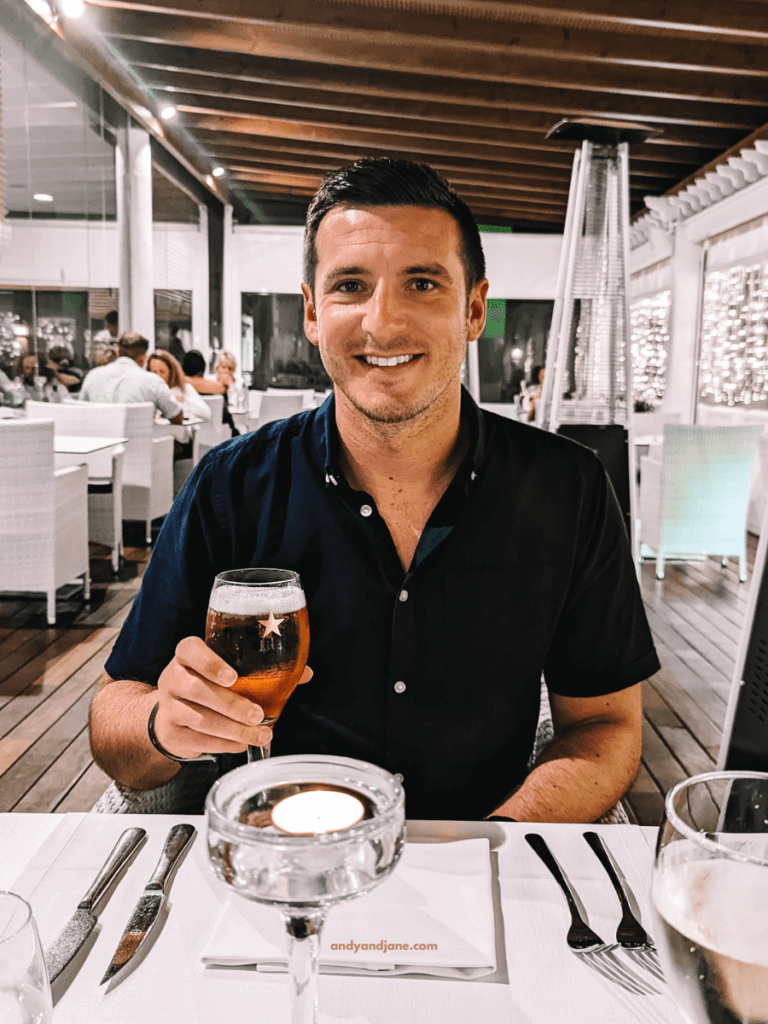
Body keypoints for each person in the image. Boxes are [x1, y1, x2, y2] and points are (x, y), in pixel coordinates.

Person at [89, 157, 659, 824]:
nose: (382, 323)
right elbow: (113, 717)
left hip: (481, 857)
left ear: (473, 309)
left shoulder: (568, 486)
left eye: (423, 283)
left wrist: (495, 848)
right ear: (311, 312)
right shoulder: (232, 484)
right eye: (351, 285)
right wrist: (162, 721)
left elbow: (605, 726)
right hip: (276, 862)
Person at [80, 332, 183, 424]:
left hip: (100, 443)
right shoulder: (152, 381)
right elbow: (176, 417)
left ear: (117, 352)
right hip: (138, 444)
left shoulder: (92, 376)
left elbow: (80, 412)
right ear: (143, 358)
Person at [146, 348, 211, 458]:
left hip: (180, 440)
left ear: (171, 372)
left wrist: (184, 401)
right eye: (154, 372)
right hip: (157, 437)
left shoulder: (184, 389)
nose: (158, 376)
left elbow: (206, 413)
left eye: (162, 372)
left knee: (160, 451)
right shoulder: (149, 391)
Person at [184, 349, 239, 437]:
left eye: (230, 368)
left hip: (194, 434)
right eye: (224, 367)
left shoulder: (182, 387)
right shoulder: (219, 388)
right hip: (220, 435)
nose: (226, 371)